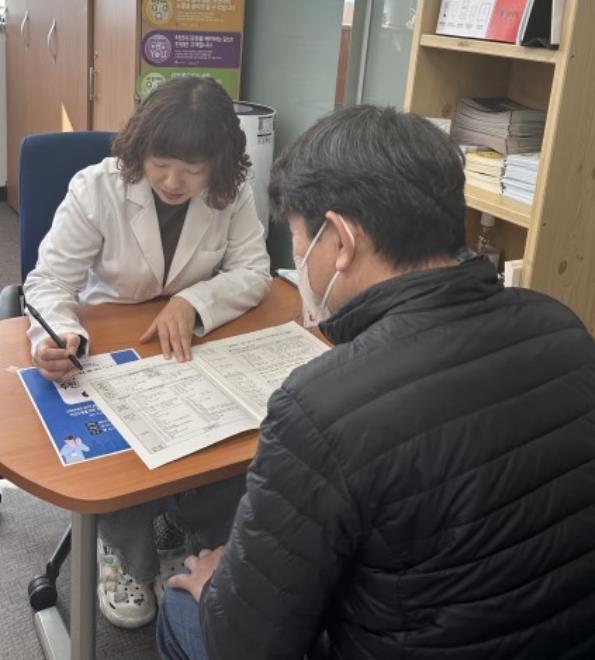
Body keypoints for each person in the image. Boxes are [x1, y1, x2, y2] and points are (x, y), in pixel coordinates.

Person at [157, 106, 595, 659]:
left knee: (184, 606)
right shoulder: (562, 326)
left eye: (299, 246)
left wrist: (218, 587)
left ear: (340, 240)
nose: (300, 264)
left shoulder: (319, 408)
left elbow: (246, 646)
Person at [24, 76, 270, 628]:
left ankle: (198, 538)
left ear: (219, 164)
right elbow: (48, 282)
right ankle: (124, 553)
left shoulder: (231, 191)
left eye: (193, 169)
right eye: (161, 164)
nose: (173, 182)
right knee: (119, 448)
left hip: (190, 344)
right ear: (140, 151)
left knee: (232, 435)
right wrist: (59, 335)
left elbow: (254, 272)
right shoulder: (98, 187)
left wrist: (194, 301)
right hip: (111, 341)